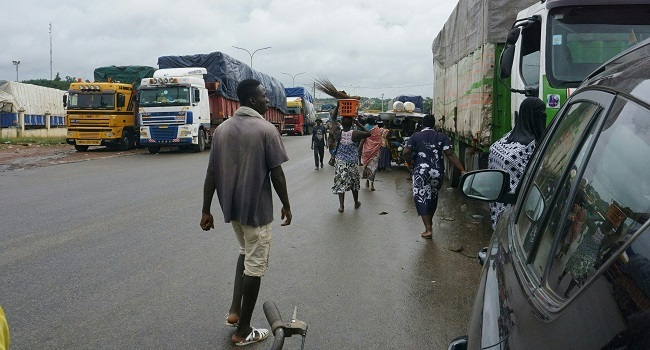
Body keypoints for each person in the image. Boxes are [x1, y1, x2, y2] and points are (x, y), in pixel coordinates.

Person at [200, 79, 292, 347]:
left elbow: (212, 173)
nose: (267, 101)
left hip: (233, 212)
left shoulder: (222, 130)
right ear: (252, 100)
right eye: (264, 97)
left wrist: (206, 210)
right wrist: (286, 204)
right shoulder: (266, 130)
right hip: (256, 213)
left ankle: (234, 311)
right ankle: (243, 331)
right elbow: (277, 173)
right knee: (255, 266)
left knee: (245, 253)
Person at [403, 114, 465, 239]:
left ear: (422, 124)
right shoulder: (441, 136)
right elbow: (450, 154)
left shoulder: (415, 136)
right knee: (433, 196)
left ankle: (428, 229)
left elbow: (406, 152)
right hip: (437, 171)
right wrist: (462, 170)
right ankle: (429, 224)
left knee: (421, 197)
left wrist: (409, 164)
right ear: (433, 124)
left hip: (421, 171)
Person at [488, 97, 547, 229]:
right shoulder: (531, 146)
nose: (544, 117)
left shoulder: (505, 139)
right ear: (531, 116)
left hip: (498, 204)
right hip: (520, 209)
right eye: (540, 114)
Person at [331, 112, 371, 212]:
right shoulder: (355, 133)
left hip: (340, 162)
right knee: (354, 183)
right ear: (352, 123)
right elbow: (368, 133)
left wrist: (337, 106)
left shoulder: (337, 132)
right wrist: (358, 123)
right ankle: (356, 202)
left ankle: (341, 206)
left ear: (341, 123)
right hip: (352, 163)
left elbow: (333, 118)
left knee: (340, 183)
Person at [359, 117, 383, 191]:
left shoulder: (365, 128)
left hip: (366, 150)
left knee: (366, 166)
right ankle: (372, 184)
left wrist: (359, 148)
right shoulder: (378, 129)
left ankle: (367, 181)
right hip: (376, 151)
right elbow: (380, 140)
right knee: (374, 168)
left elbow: (363, 139)